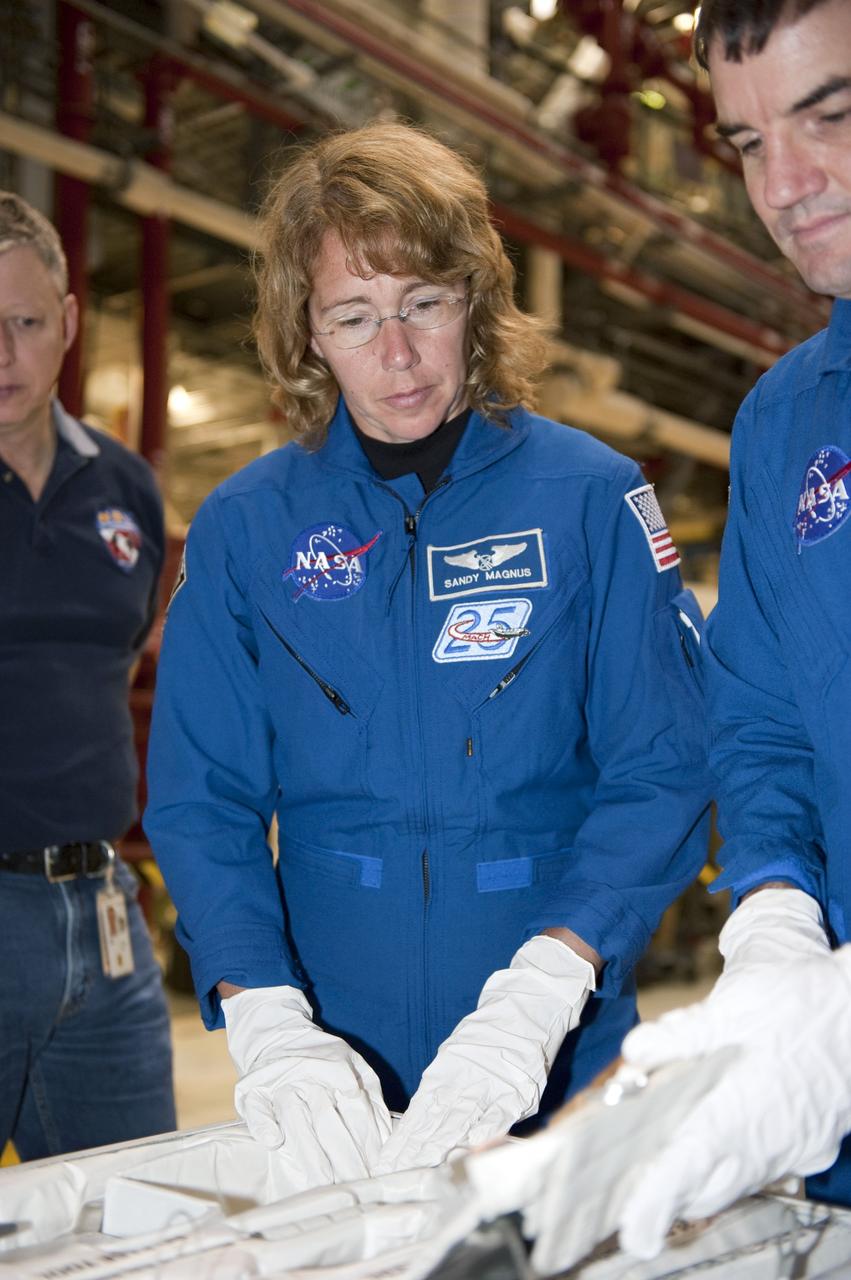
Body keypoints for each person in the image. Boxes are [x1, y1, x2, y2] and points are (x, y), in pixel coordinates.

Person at [144, 120, 711, 1188]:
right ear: (308, 332)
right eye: (353, 317)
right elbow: (200, 796)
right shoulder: (246, 527)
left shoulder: (590, 499)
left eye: (423, 304)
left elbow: (663, 767)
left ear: (475, 299)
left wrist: (548, 983)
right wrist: (262, 1010)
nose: (395, 354)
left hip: (556, 1040)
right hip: (333, 1064)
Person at [591, 0, 851, 1260]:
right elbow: (760, 718)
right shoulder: (784, 422)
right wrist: (772, 920)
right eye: (746, 145)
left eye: (830, 115)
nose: (783, 186)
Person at [0, 192, 176, 1160]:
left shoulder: (124, 487)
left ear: (68, 322)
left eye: (25, 323)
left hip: (105, 915)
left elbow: (126, 644)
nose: (2, 354)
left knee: (137, 1213)